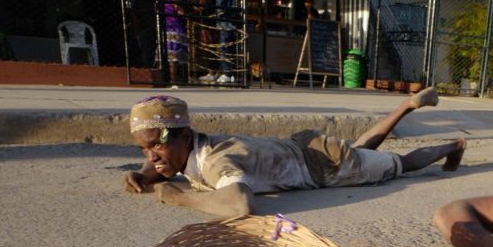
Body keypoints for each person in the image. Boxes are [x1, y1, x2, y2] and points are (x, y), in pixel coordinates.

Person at [124, 88, 467, 217]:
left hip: (324, 166)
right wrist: (145, 175)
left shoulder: (215, 161)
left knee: (400, 164)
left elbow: (240, 203)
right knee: (363, 151)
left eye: (156, 145)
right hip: (306, 148)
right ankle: (407, 105)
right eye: (144, 149)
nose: (151, 155)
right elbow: (164, 163)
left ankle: (454, 146)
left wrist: (178, 198)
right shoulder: (194, 146)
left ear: (185, 136)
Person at [163, 0, 188, 84]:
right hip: (175, 27)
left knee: (171, 55)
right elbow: (180, 12)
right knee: (175, 54)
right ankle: (174, 78)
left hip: (167, 27)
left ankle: (172, 77)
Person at [214, 0, 236, 84]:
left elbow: (220, 5)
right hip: (233, 22)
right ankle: (232, 73)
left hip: (224, 22)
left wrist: (218, 14)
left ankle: (227, 73)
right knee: (232, 48)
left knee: (224, 47)